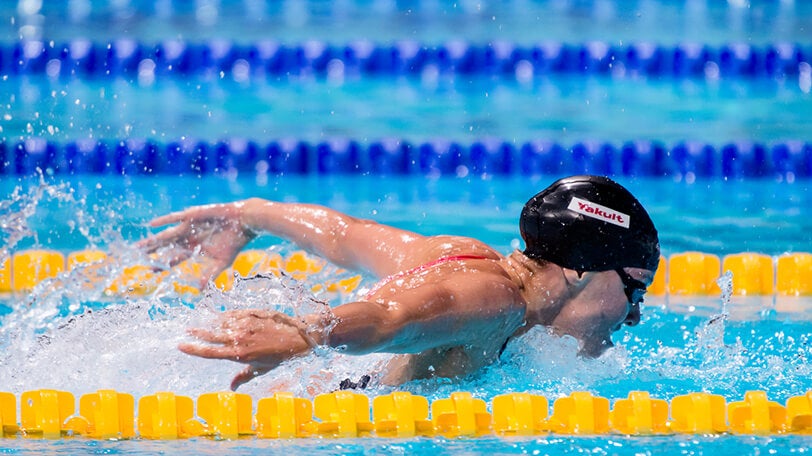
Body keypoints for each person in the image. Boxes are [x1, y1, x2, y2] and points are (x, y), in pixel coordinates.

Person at [138, 175, 660, 391]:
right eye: (634, 289)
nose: (634, 314)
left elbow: (345, 236)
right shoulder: (497, 302)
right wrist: (308, 334)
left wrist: (248, 213)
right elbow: (396, 319)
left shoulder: (462, 254)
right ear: (581, 270)